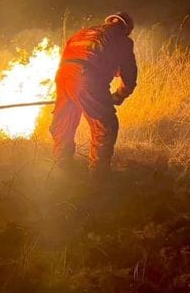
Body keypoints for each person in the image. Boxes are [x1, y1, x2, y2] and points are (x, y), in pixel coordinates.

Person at [50, 12, 137, 181]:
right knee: (105, 126)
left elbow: (72, 58)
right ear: (125, 28)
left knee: (64, 123)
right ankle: (98, 180)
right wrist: (119, 96)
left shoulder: (84, 32)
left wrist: (71, 89)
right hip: (86, 78)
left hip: (63, 76)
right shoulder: (121, 38)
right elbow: (129, 74)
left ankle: (60, 171)